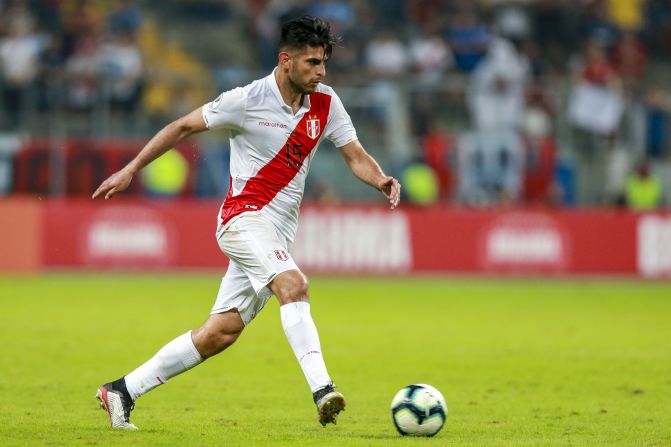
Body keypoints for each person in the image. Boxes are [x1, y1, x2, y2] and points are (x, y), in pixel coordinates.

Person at [91, 15, 401, 430]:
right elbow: (182, 126)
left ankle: (121, 391)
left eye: (324, 62)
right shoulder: (247, 99)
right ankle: (323, 390)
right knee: (294, 285)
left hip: (276, 233)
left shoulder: (326, 103)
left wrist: (380, 179)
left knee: (220, 332)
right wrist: (130, 169)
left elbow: (355, 155)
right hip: (242, 219)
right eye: (312, 63)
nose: (321, 71)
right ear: (285, 60)